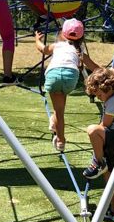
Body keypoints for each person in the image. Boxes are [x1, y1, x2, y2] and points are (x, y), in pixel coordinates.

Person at [82, 66, 114, 222]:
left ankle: (99, 162)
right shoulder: (113, 96)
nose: (99, 98)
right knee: (111, 177)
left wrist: (97, 149)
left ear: (108, 88)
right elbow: (111, 70)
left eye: (100, 94)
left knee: (93, 130)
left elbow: (104, 125)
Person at [34, 18, 85, 151]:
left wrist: (37, 39)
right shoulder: (79, 50)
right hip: (70, 77)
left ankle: (61, 139)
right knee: (60, 105)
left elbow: (43, 49)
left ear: (63, 33)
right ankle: (53, 122)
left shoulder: (57, 45)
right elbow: (93, 66)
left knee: (59, 111)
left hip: (54, 75)